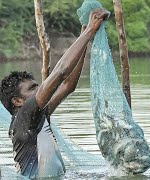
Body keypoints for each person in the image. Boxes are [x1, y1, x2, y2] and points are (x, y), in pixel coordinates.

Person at [0, 8, 109, 179]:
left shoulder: (38, 115)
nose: (39, 90)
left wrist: (84, 40)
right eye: (32, 89)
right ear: (17, 101)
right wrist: (89, 31)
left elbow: (67, 85)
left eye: (37, 86)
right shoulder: (24, 117)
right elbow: (60, 73)